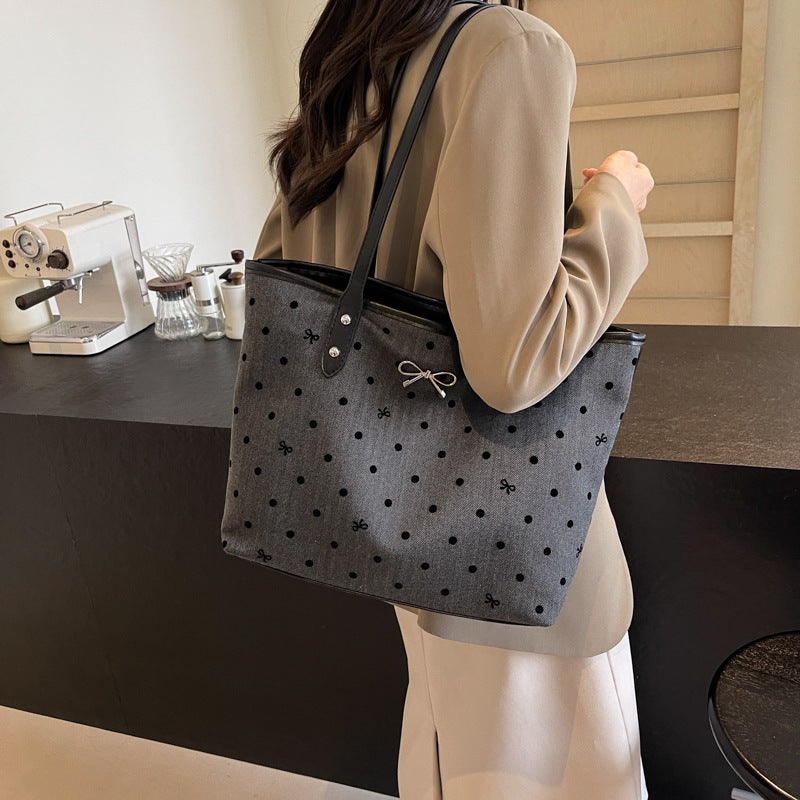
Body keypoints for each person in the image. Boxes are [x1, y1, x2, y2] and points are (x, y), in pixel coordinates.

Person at [254, 1, 654, 797]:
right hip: (516, 547)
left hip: (395, 505)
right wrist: (615, 200)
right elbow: (516, 362)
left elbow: (287, 268)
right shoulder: (509, 46)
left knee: (451, 755)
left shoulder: (353, 45)